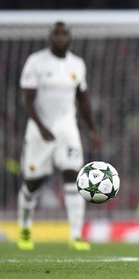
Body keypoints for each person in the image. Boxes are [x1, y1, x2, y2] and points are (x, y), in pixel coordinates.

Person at [17, 21, 100, 251]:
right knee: (33, 182)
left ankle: (75, 235)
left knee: (73, 175)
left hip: (67, 128)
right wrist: (41, 126)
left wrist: (92, 128)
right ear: (50, 37)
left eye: (64, 34)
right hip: (39, 129)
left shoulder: (77, 64)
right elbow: (27, 99)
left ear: (70, 38)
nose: (61, 37)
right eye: (57, 33)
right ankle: (24, 227)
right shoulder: (36, 62)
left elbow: (82, 99)